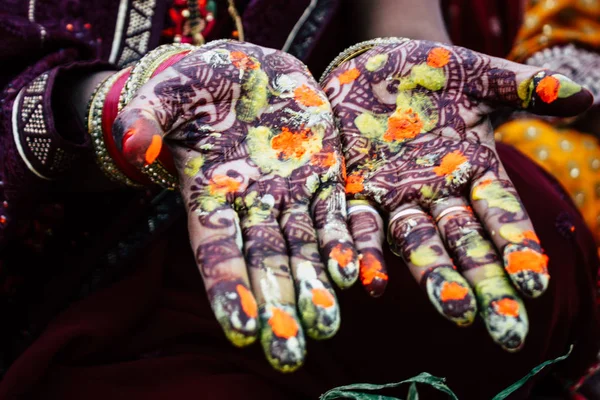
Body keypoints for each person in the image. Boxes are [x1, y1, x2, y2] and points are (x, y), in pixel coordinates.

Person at [0, 1, 597, 399]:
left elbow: (405, 22)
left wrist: (410, 78)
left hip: (334, 160)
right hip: (84, 260)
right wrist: (115, 109)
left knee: (531, 242)